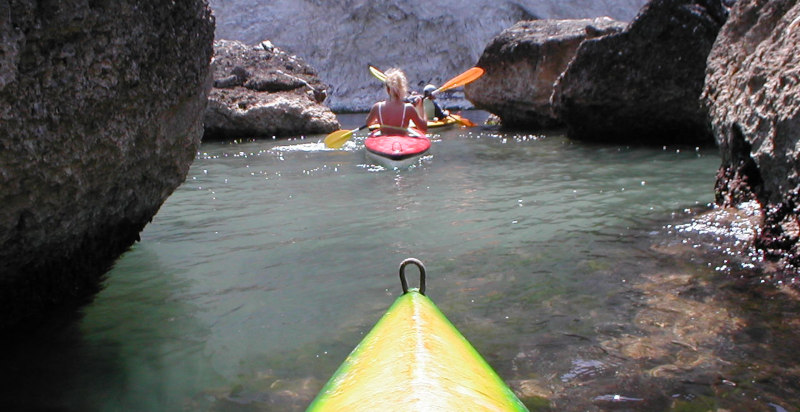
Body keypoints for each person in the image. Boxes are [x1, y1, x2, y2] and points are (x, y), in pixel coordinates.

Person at [366, 68, 427, 134]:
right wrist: (421, 107)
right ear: (403, 89)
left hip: (384, 141)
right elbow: (423, 129)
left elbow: (368, 123)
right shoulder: (409, 108)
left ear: (387, 90)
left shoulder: (377, 107)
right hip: (401, 142)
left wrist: (379, 120)